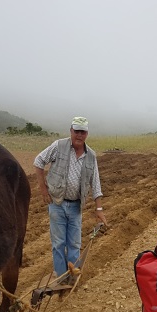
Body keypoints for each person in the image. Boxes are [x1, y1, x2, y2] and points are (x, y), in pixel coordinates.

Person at [34, 116, 107, 283]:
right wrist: (43, 188)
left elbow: (95, 183)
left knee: (74, 244)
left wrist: (99, 209)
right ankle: (61, 279)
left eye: (83, 132)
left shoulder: (91, 156)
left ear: (87, 134)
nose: (79, 135)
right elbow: (38, 161)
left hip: (76, 206)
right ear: (71, 131)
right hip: (57, 203)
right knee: (58, 244)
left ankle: (71, 279)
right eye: (76, 131)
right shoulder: (58, 146)